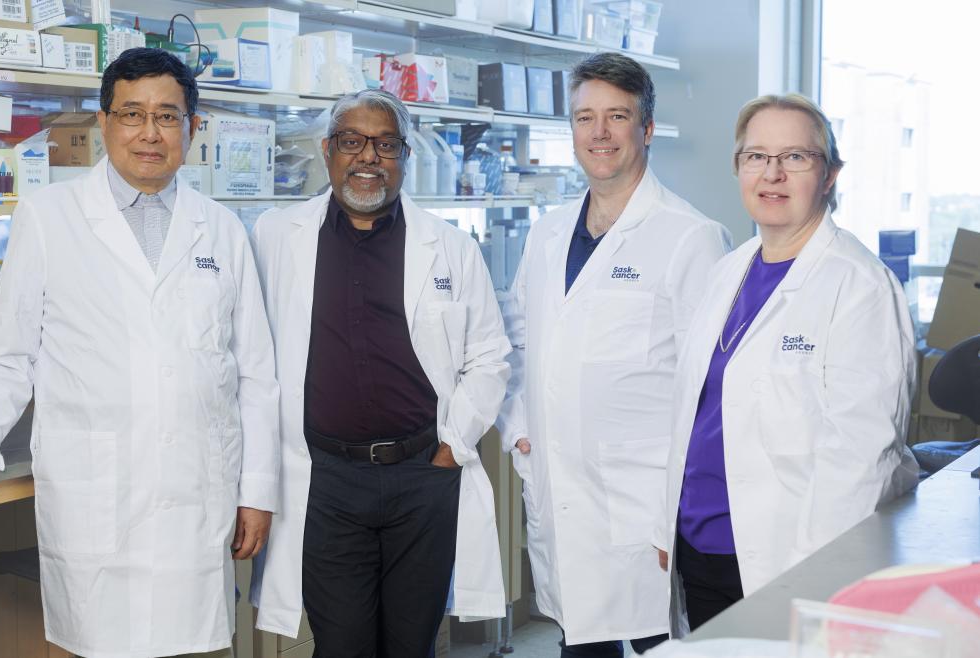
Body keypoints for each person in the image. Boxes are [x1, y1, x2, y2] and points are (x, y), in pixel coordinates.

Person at [0, 48, 281, 658]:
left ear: (193, 126)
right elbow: (6, 352)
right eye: (131, 114)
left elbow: (256, 377)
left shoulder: (223, 230)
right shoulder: (51, 218)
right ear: (103, 124)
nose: (149, 133)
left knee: (193, 648)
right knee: (100, 645)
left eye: (167, 116)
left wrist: (257, 491)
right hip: (97, 492)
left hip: (196, 494)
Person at [247, 89, 511, 657]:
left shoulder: (452, 248)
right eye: (352, 141)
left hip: (423, 474)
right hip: (327, 479)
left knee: (412, 644)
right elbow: (249, 352)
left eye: (385, 144)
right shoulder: (276, 236)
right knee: (342, 645)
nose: (368, 157)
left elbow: (490, 357)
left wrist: (450, 447)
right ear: (327, 151)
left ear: (404, 156)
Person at [654, 93, 919, 634]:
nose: (772, 173)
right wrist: (668, 528)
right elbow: (694, 413)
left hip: (785, 560)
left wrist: (813, 579)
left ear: (829, 175)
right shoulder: (728, 271)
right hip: (700, 546)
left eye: (796, 157)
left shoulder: (859, 285)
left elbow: (859, 459)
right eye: (756, 156)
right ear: (738, 168)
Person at [497, 52, 731, 656]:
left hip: (644, 502)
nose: (599, 133)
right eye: (585, 117)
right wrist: (519, 423)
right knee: (580, 641)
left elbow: (709, 386)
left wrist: (678, 510)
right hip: (562, 488)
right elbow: (520, 340)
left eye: (617, 116)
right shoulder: (548, 232)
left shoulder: (690, 236)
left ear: (646, 129)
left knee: (662, 641)